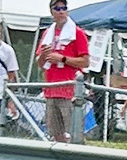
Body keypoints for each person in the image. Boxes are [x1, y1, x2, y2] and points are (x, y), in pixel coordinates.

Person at [36, 0, 90, 142]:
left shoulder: (77, 33)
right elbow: (40, 64)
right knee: (56, 134)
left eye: (64, 8)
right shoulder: (48, 33)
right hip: (51, 90)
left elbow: (85, 62)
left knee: (74, 133)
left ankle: (77, 154)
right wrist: (43, 56)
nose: (61, 11)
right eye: (57, 8)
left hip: (70, 91)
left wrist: (62, 59)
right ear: (51, 11)